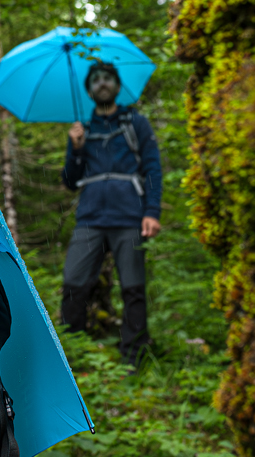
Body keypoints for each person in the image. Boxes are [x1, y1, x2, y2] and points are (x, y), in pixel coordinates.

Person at [60, 61, 163, 367]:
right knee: (73, 284)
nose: (101, 83)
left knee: (133, 288)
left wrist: (152, 211)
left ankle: (134, 358)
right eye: (95, 80)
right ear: (89, 91)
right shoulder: (81, 130)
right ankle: (72, 358)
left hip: (129, 217)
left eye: (107, 79)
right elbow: (70, 181)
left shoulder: (136, 124)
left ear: (117, 86)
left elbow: (152, 168)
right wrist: (76, 148)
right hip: (90, 219)